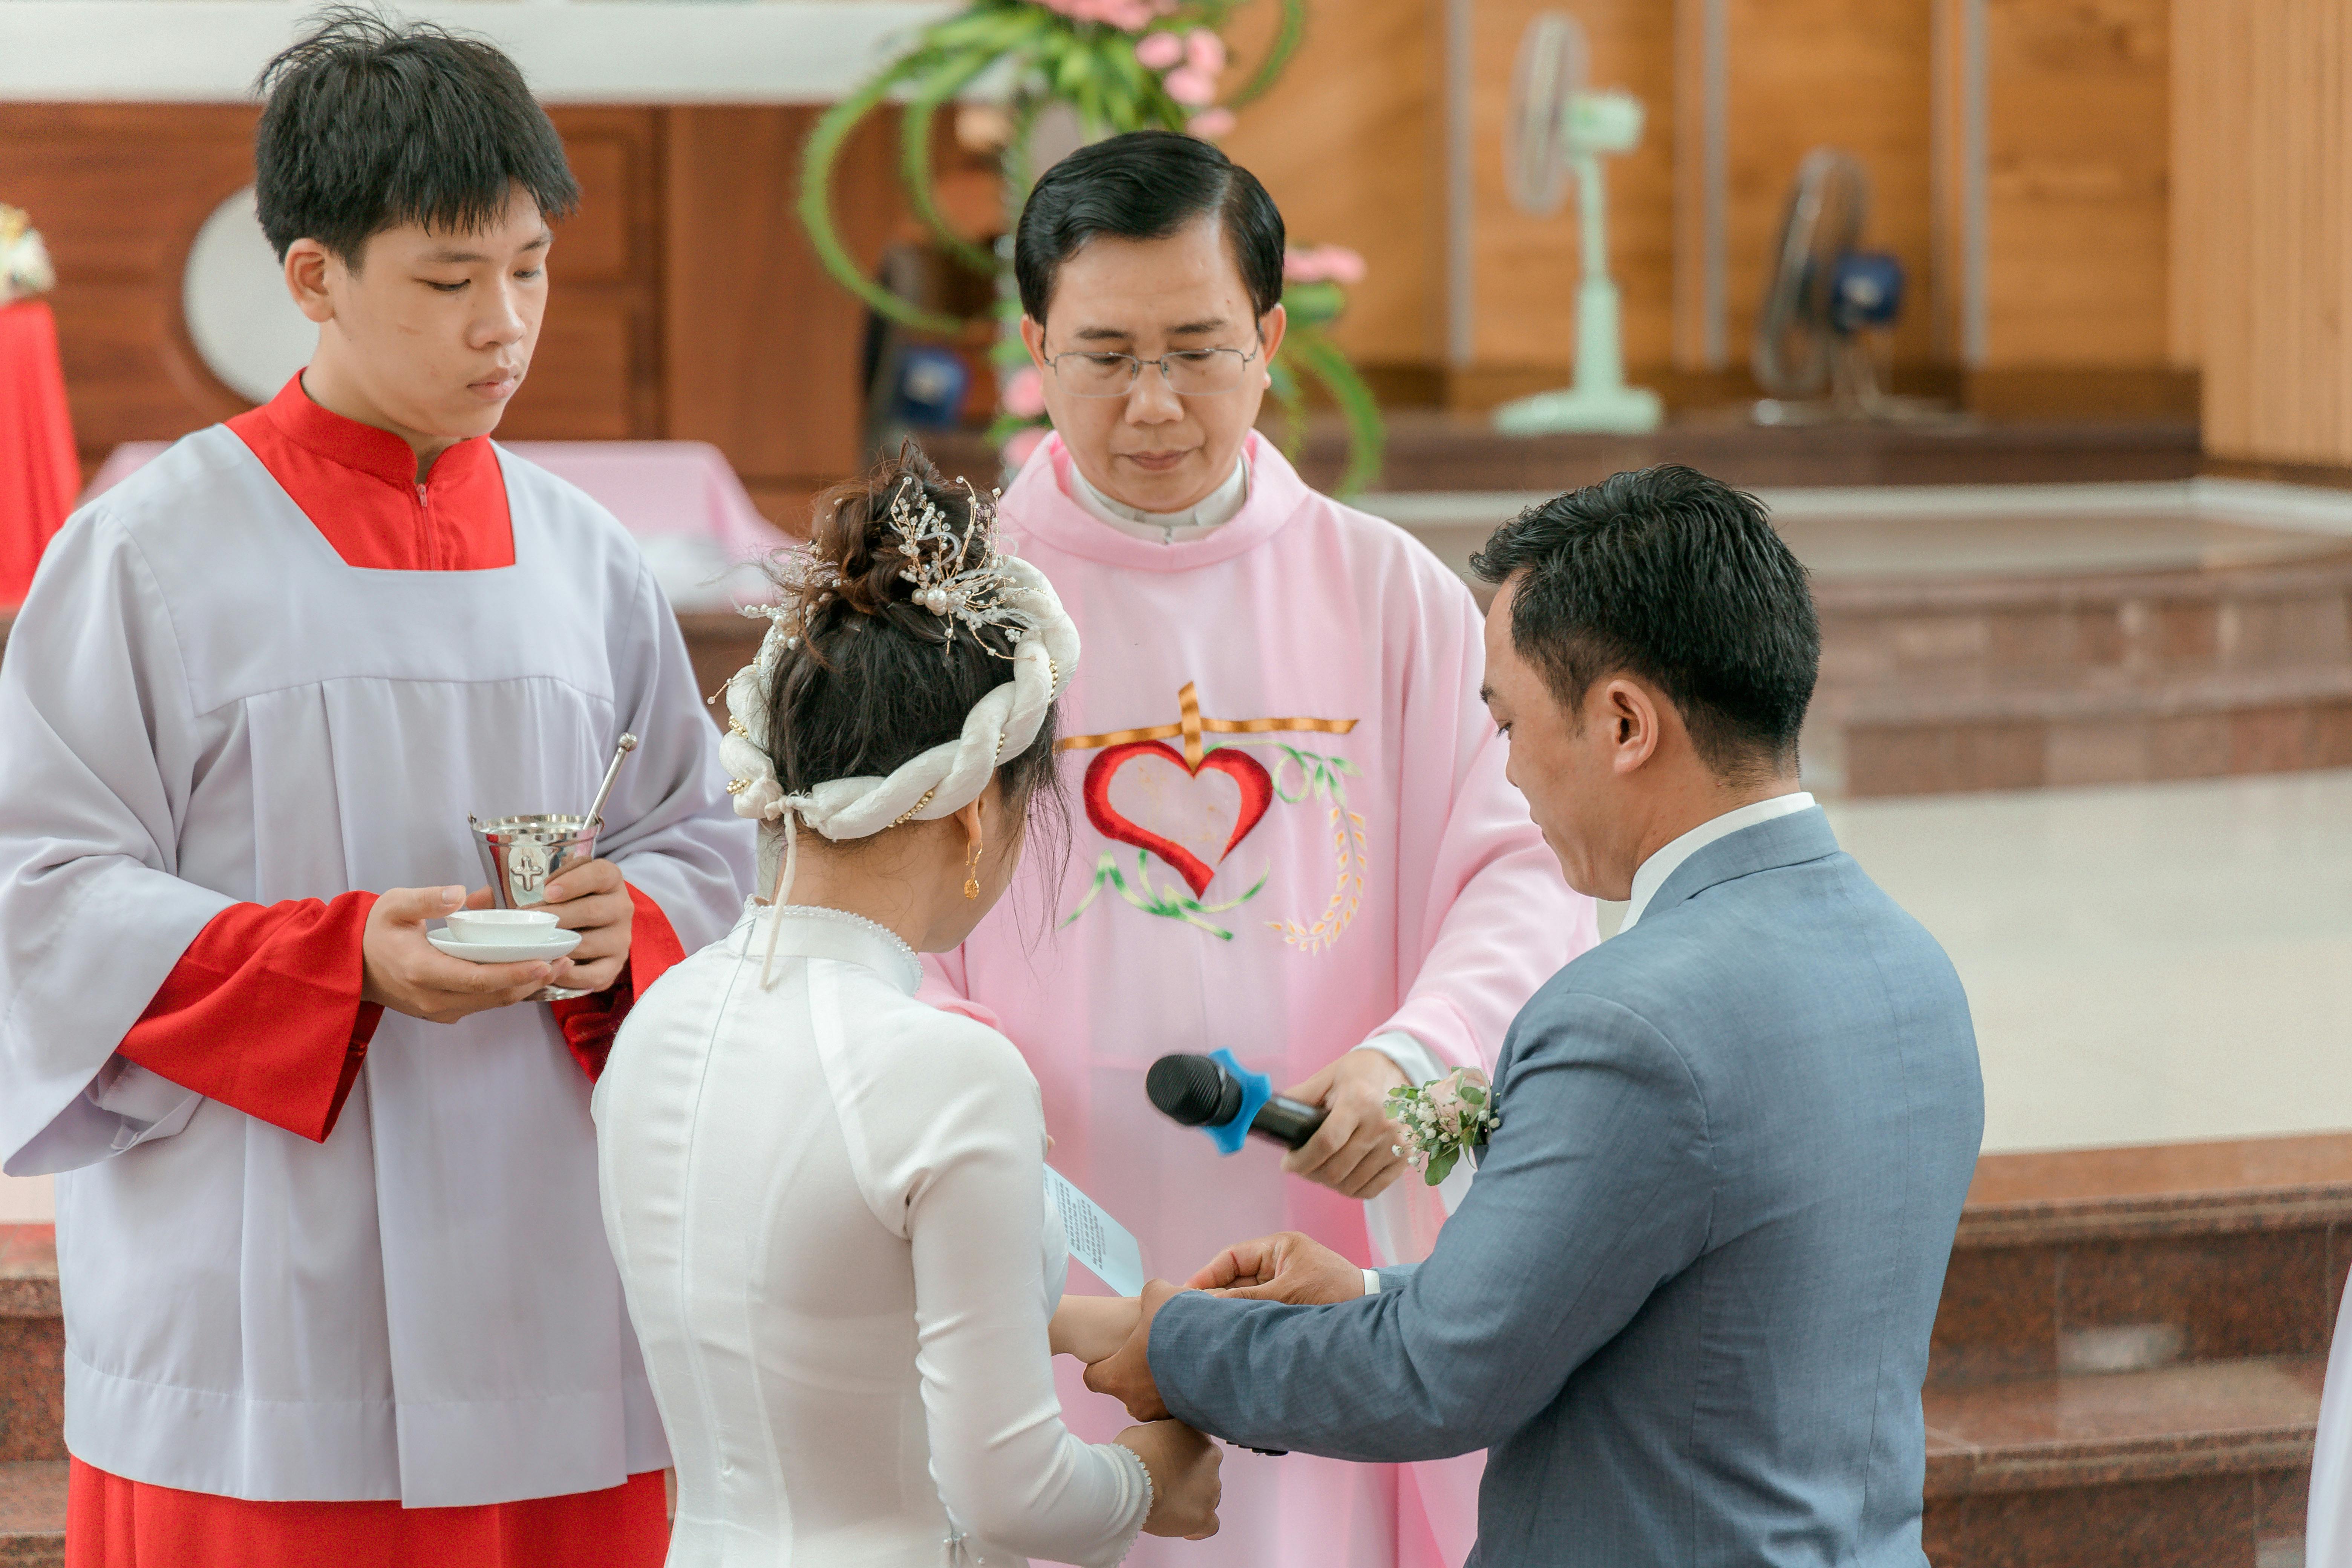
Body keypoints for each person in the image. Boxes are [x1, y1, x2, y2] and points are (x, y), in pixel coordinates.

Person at [0, 15, 749, 1566]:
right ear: (315, 276)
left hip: (552, 1272)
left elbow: (704, 839)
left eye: (531, 267)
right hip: (263, 1291)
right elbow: (41, 890)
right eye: (448, 278)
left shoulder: (586, 553)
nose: (506, 323)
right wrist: (339, 961)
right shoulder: (146, 552)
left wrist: (639, 916)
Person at [1084, 466, 1988, 1567]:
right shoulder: (1911, 966)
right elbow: (1695, 1311)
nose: (1509, 774)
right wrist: (1375, 1293)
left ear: (1622, 724)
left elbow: (1437, 1378)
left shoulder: (1632, 1023)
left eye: (1509, 725)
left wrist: (1179, 1346)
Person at [924, 129, 1594, 1568]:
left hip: (1314, 1193)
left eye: (1198, 348)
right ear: (1032, 343)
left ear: (1272, 339)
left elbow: (1522, 870)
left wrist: (1409, 1068)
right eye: (1104, 355)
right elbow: (850, 921)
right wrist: (963, 1109)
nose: (1153, 404)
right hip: (1041, 1220)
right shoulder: (950, 610)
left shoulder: (1389, 593)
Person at [594, 449, 1223, 1566]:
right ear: (977, 814)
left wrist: (1069, 1325)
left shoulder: (665, 1013)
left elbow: (797, 1313)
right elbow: (1012, 1497)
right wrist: (1152, 1480)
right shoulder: (945, 1069)